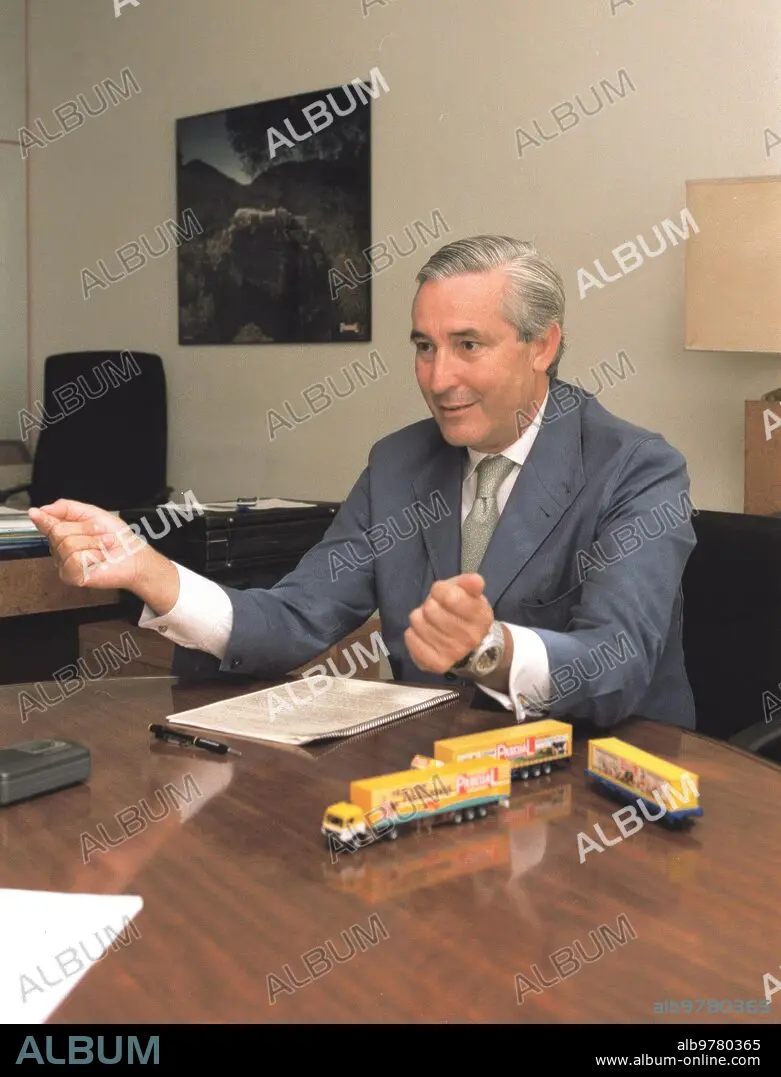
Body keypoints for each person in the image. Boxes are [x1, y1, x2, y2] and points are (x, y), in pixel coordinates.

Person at [30, 235, 697, 729]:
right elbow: (295, 619)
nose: (438, 378)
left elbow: (616, 667)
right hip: (433, 784)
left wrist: (489, 648)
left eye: (468, 345)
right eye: (423, 347)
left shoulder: (637, 468)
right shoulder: (398, 464)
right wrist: (150, 571)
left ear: (542, 345)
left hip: (604, 794)